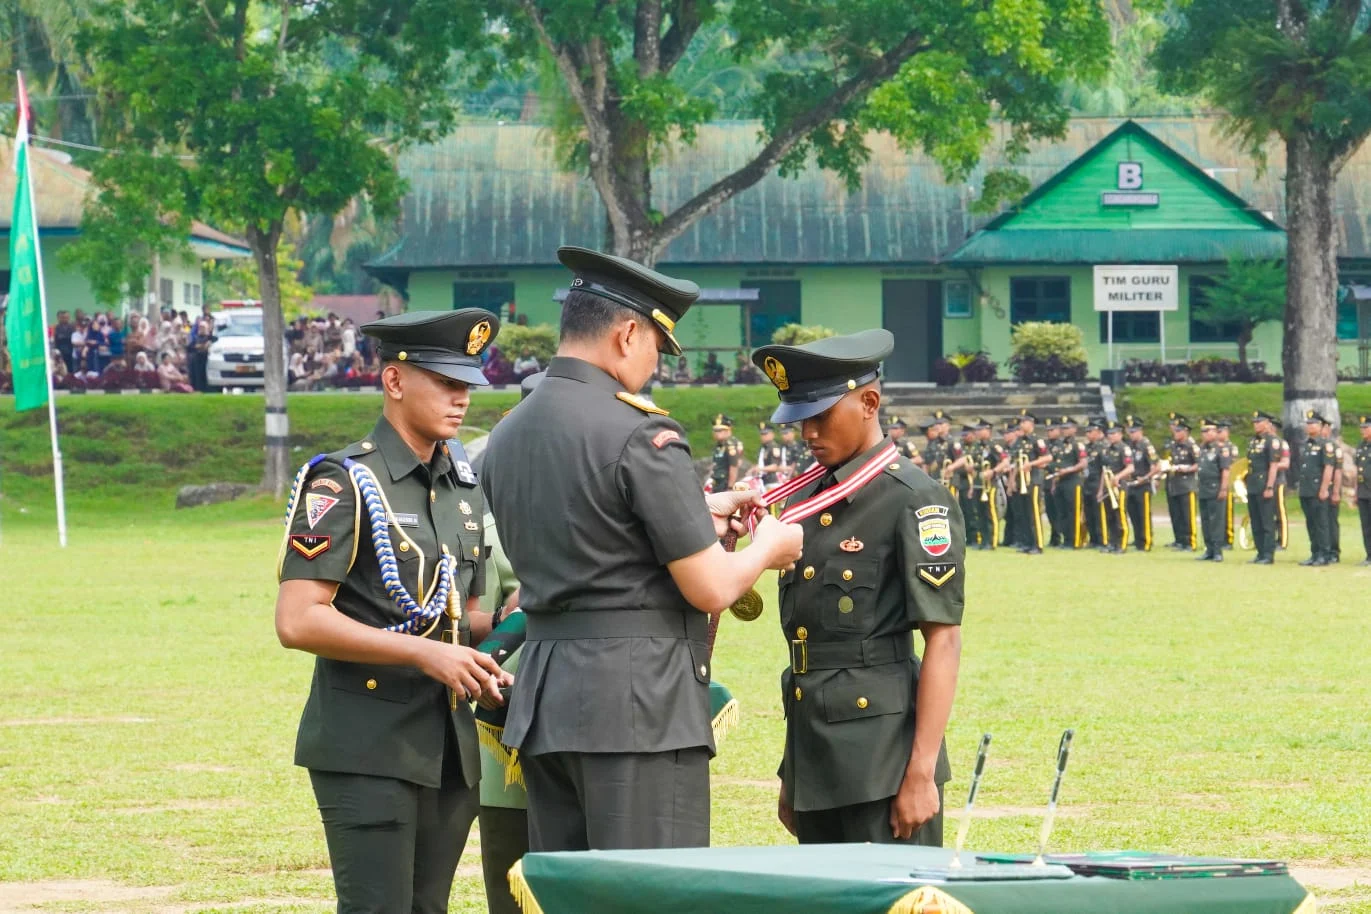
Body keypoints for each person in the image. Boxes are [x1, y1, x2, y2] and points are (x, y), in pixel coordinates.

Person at [480, 245, 804, 853]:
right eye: (658, 346)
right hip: (637, 707)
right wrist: (768, 546)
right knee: (651, 887)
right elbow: (712, 586)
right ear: (628, 334)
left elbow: (588, 532)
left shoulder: (507, 433)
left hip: (547, 696)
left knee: (568, 891)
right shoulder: (641, 431)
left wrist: (697, 514)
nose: (656, 366)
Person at [273, 308, 513, 914]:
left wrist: (521, 615)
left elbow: (463, 620)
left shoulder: (463, 488)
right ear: (395, 380)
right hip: (368, 745)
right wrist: (425, 653)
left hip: (450, 747)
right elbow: (298, 620)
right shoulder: (344, 481)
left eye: (468, 384)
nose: (462, 399)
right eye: (446, 382)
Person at [750, 329, 963, 846]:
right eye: (801, 419)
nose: (808, 433)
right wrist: (794, 772)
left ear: (869, 403)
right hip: (815, 753)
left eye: (821, 416)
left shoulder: (914, 499)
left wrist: (920, 772)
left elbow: (943, 639)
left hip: (883, 761)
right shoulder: (810, 498)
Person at [1297, 410, 1333, 566]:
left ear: (1320, 426)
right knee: (1311, 523)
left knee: (1321, 524)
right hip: (1306, 489)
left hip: (1318, 489)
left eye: (1313, 424)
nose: (1309, 426)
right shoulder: (1306, 445)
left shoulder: (1325, 445)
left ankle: (1324, 554)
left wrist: (1324, 489)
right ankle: (1315, 553)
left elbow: (1328, 468)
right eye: (1308, 424)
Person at [1011, 411, 1050, 554]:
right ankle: (1027, 542)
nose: (1021, 424)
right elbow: (1016, 462)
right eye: (1020, 422)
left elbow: (1047, 458)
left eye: (1024, 422)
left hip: (1034, 479)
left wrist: (1031, 464)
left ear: (1031, 424)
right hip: (1021, 481)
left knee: (1034, 512)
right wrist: (1012, 480)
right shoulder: (1019, 442)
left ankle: (1038, 544)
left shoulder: (1036, 440)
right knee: (1024, 513)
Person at [1246, 410, 1282, 564]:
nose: (1256, 425)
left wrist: (1269, 487)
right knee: (1256, 521)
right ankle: (1260, 552)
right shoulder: (1253, 441)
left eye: (1259, 422)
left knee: (1267, 521)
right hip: (1252, 484)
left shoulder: (1272, 441)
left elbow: (1273, 466)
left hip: (1264, 483)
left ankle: (1268, 554)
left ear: (1267, 423)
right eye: (1254, 422)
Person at [1196, 418, 1231, 562]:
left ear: (1215, 432)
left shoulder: (1221, 449)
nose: (1204, 434)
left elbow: (1225, 470)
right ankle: (1209, 549)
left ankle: (1217, 551)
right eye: (1203, 431)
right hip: (1203, 488)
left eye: (1207, 431)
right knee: (1205, 521)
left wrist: (1223, 488)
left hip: (1215, 488)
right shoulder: (1202, 449)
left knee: (1216, 520)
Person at [1165, 414, 1201, 551]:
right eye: (1175, 430)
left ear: (1185, 431)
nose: (1175, 433)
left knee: (1187, 516)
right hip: (1174, 484)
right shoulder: (1174, 445)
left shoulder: (1191, 445)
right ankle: (1180, 540)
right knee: (1177, 514)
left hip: (1187, 485)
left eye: (1178, 430)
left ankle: (1190, 542)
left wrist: (1187, 469)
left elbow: (1199, 463)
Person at [1050, 417, 1088, 549]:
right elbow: (1056, 465)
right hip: (1060, 481)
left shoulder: (1078, 445)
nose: (1064, 430)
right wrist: (1054, 483)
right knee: (1062, 513)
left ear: (1074, 429)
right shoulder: (1059, 446)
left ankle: (1076, 541)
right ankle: (1066, 539)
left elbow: (1083, 463)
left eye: (1067, 428)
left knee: (1074, 512)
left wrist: (1069, 470)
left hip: (1073, 481)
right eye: (1063, 428)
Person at [1098, 419, 1135, 553]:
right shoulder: (1107, 450)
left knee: (1120, 515)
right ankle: (1112, 543)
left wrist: (1118, 477)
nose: (1111, 436)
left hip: (1119, 486)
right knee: (1109, 516)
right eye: (1109, 433)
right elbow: (1104, 470)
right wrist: (1100, 489)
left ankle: (1122, 544)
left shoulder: (1124, 449)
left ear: (1120, 434)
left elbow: (1130, 467)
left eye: (1114, 433)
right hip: (1107, 486)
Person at [1124, 416, 1160, 552]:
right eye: (1130, 431)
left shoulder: (1146, 445)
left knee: (1143, 514)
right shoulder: (1130, 445)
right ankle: (1138, 540)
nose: (1131, 434)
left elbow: (1156, 466)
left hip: (1143, 485)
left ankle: (1147, 541)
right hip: (1131, 484)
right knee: (1133, 514)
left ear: (1140, 431)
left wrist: (1145, 478)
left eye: (1134, 431)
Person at [1320, 415, 1345, 563]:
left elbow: (1338, 471)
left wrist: (1335, 491)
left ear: (1327, 429)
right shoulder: (1316, 445)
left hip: (1330, 489)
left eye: (1322, 427)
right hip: (1318, 489)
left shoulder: (1333, 447)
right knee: (1321, 521)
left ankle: (1334, 551)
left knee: (1330, 521)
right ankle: (1323, 550)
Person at [1083, 419, 1106, 549]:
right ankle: (1093, 539)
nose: (1088, 434)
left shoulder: (1103, 447)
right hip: (1087, 482)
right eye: (1087, 431)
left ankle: (1102, 539)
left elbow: (1104, 469)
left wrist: (1101, 488)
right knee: (1089, 513)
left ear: (1098, 431)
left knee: (1099, 513)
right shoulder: (1088, 447)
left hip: (1098, 482)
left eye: (1090, 431)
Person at [1217, 420, 1237, 548]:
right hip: (1215, 482)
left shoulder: (1231, 447)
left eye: (1221, 431)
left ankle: (1228, 539)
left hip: (1228, 482)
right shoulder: (1215, 447)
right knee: (1218, 513)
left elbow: (1231, 465)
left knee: (1227, 512)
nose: (1218, 434)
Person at [710, 415, 743, 492]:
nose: (716, 433)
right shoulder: (720, 444)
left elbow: (734, 467)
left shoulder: (731, 445)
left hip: (725, 483)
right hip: (717, 481)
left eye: (720, 431)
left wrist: (730, 487)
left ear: (728, 430)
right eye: (715, 430)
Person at [1355, 414, 1371, 566]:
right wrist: (1356, 491)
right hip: (1363, 491)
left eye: (1366, 427)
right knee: (1366, 525)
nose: (1363, 430)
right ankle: (1369, 555)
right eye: (1362, 427)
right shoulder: (1361, 446)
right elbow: (1358, 470)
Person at [755, 423, 785, 488]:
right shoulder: (762, 448)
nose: (763, 436)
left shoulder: (774, 447)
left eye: (765, 434)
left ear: (772, 435)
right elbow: (760, 463)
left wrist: (760, 469)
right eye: (762, 434)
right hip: (762, 480)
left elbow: (775, 466)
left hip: (772, 481)